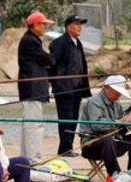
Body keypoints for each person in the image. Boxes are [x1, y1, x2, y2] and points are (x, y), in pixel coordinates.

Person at [78, 75, 131, 182]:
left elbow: (122, 128)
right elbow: (97, 126)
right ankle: (114, 176)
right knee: (106, 140)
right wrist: (120, 120)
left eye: (119, 93)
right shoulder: (94, 102)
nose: (118, 95)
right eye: (116, 92)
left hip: (112, 143)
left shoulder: (116, 104)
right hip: (91, 146)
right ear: (106, 88)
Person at [49, 15, 91, 156]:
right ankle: (64, 149)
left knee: (73, 118)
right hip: (64, 89)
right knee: (65, 119)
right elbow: (52, 65)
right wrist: (58, 84)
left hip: (77, 88)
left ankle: (69, 147)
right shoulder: (59, 43)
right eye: (76, 24)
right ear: (68, 27)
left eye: (81, 24)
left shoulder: (77, 43)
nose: (80, 27)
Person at [18, 12, 56, 163]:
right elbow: (48, 59)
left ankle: (25, 158)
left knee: (29, 124)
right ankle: (33, 159)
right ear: (35, 25)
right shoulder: (30, 41)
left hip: (32, 88)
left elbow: (44, 61)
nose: (45, 27)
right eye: (43, 24)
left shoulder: (31, 40)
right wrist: (50, 56)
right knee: (34, 125)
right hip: (32, 88)